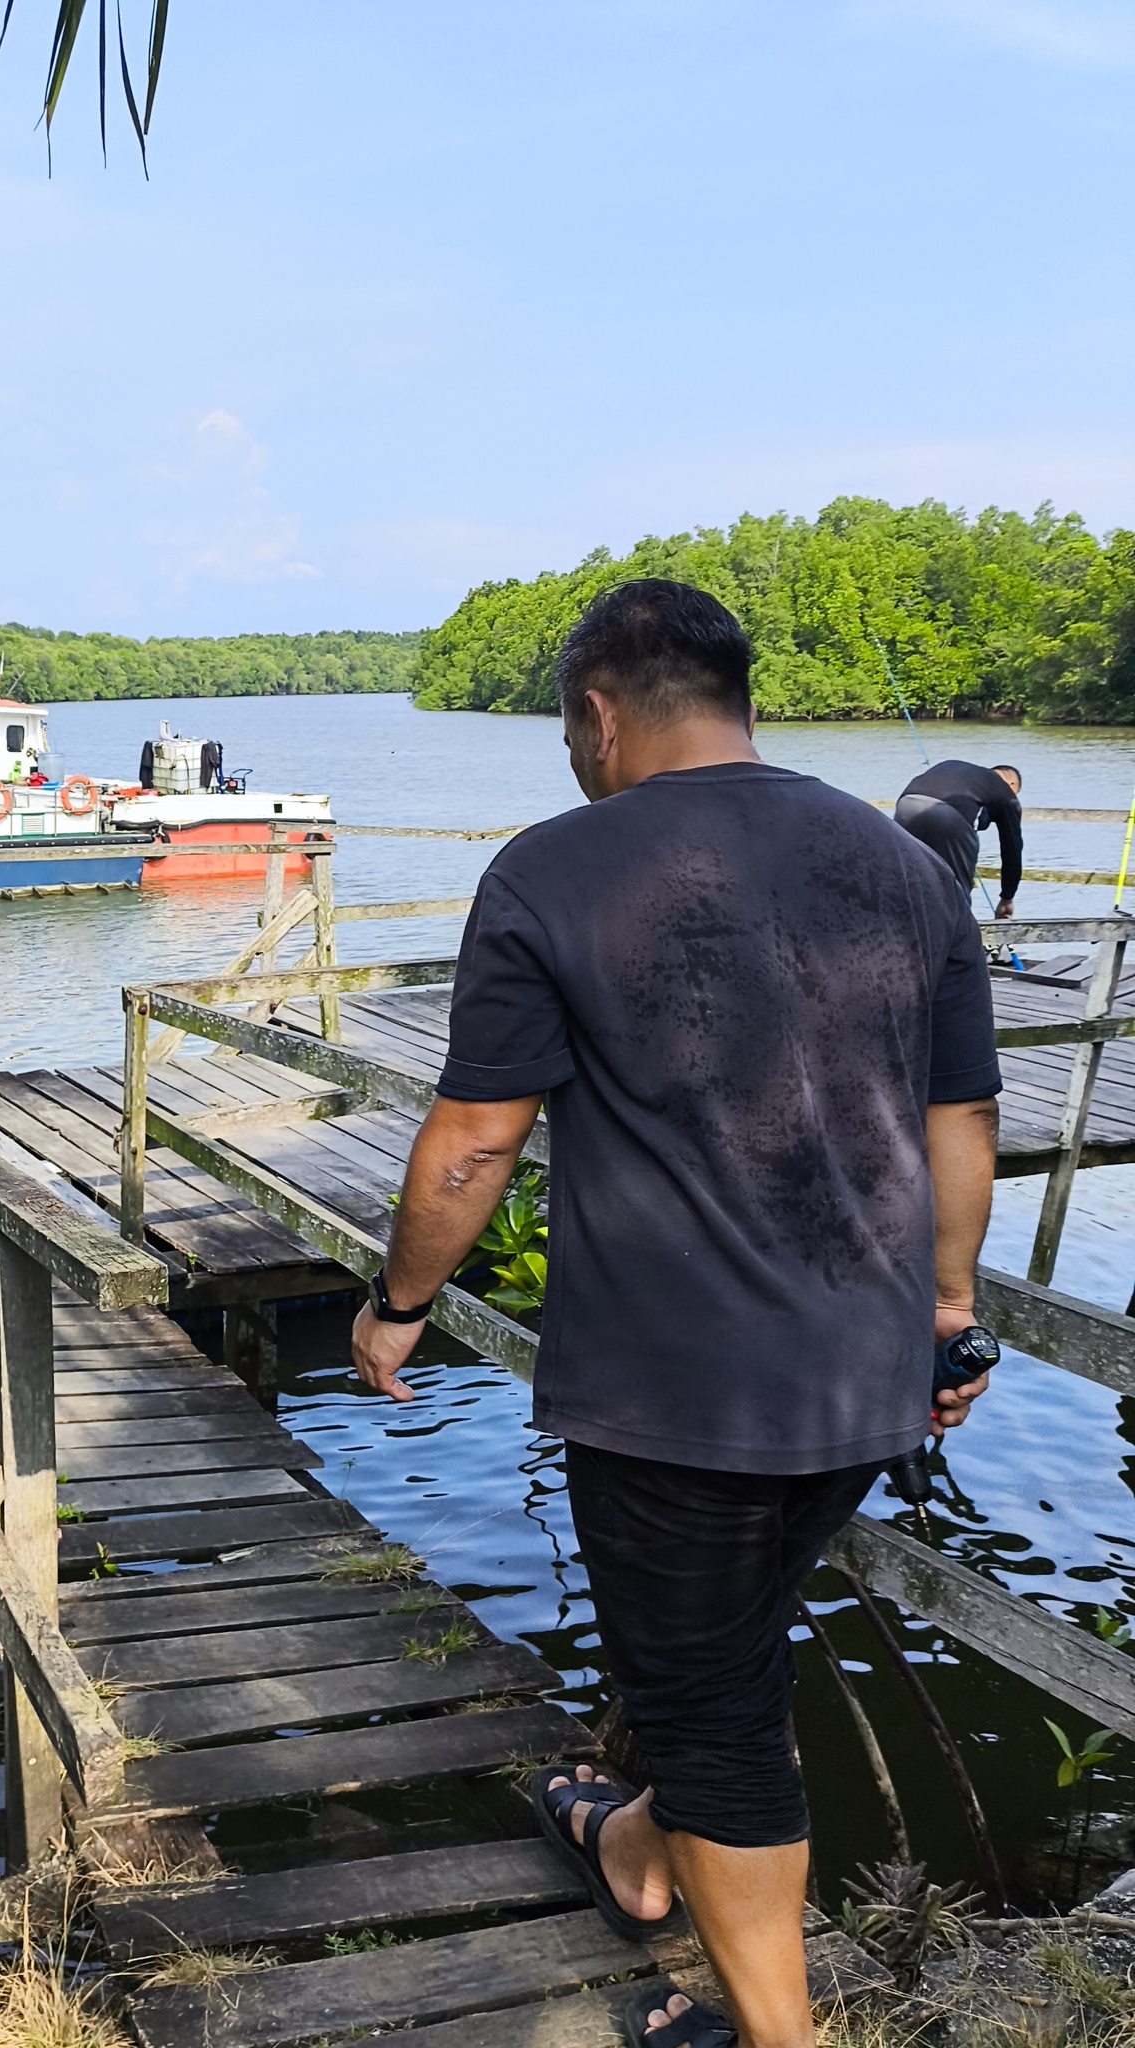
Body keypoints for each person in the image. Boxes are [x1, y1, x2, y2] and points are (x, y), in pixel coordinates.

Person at [351, 580, 1001, 2048]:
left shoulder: (551, 870)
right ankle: (641, 1856)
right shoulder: (907, 868)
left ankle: (777, 2033)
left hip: (675, 1399)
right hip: (861, 1380)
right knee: (723, 1648)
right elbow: (965, 1117)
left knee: (714, 1723)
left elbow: (470, 1142)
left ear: (598, 712)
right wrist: (948, 1318)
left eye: (565, 731)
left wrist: (397, 1303)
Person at [894, 760, 1023, 915]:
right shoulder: (1004, 790)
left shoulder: (961, 770)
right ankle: (959, 935)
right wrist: (1007, 897)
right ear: (1011, 784)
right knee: (956, 892)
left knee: (909, 880)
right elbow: (1012, 848)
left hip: (905, 806)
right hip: (947, 816)